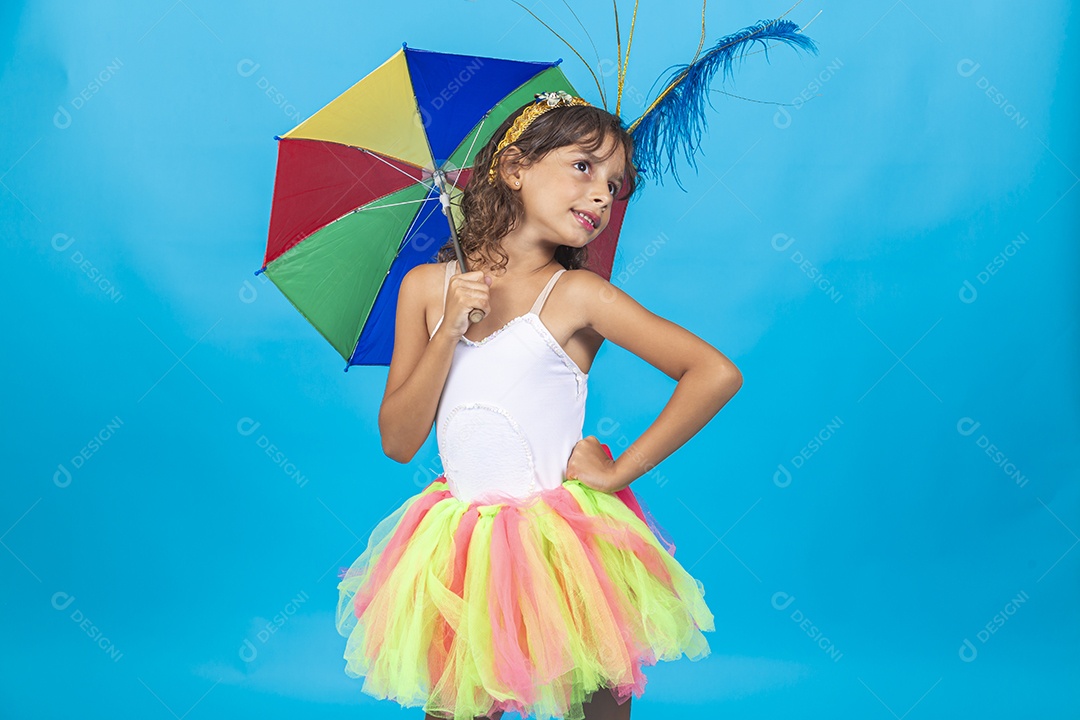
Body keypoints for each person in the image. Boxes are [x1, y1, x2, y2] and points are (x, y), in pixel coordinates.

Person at [337, 91, 743, 720]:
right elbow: (398, 441)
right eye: (584, 167)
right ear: (514, 168)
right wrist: (448, 329)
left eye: (617, 184)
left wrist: (616, 473)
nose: (604, 194)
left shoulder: (580, 294)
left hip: (565, 544)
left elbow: (712, 373)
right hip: (463, 544)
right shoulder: (424, 289)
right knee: (460, 703)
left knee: (598, 702)